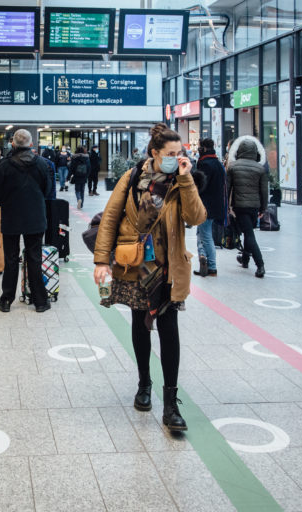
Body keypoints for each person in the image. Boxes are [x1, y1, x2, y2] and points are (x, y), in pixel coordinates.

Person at [93, 124, 206, 432]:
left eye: (180, 153)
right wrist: (102, 260)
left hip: (169, 267)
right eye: (171, 154)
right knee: (140, 325)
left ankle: (171, 405)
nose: (177, 157)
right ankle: (144, 383)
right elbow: (111, 218)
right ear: (155, 153)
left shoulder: (180, 181)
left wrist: (185, 179)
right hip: (138, 265)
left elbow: (196, 217)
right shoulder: (131, 179)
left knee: (169, 329)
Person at [0, 129, 52, 313]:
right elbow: (47, 191)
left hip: (11, 218)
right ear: (31, 144)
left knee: (10, 259)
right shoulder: (42, 164)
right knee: (34, 258)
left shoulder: (4, 166)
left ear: (13, 144)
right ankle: (40, 301)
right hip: (35, 218)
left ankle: (6, 300)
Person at [227, 135, 269, 278]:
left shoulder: (233, 167)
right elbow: (264, 191)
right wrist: (263, 208)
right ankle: (245, 259)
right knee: (248, 231)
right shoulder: (260, 169)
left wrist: (226, 206)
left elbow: (227, 188)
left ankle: (260, 264)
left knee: (249, 234)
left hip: (240, 205)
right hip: (255, 206)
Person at [193, 138, 227, 277]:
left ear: (204, 148)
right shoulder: (218, 163)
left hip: (206, 205)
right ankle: (204, 258)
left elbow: (201, 186)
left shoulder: (205, 164)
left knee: (205, 235)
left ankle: (211, 265)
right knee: (202, 233)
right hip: (216, 204)